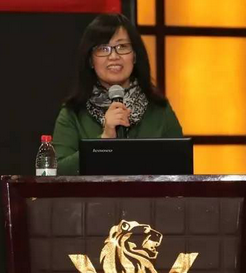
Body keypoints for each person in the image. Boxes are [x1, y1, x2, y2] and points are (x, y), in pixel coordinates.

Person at [52, 13, 183, 175]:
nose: (114, 56)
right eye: (103, 49)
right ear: (91, 60)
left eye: (122, 47)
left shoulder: (159, 110)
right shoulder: (73, 113)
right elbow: (56, 172)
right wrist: (104, 141)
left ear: (134, 56)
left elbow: (182, 169)